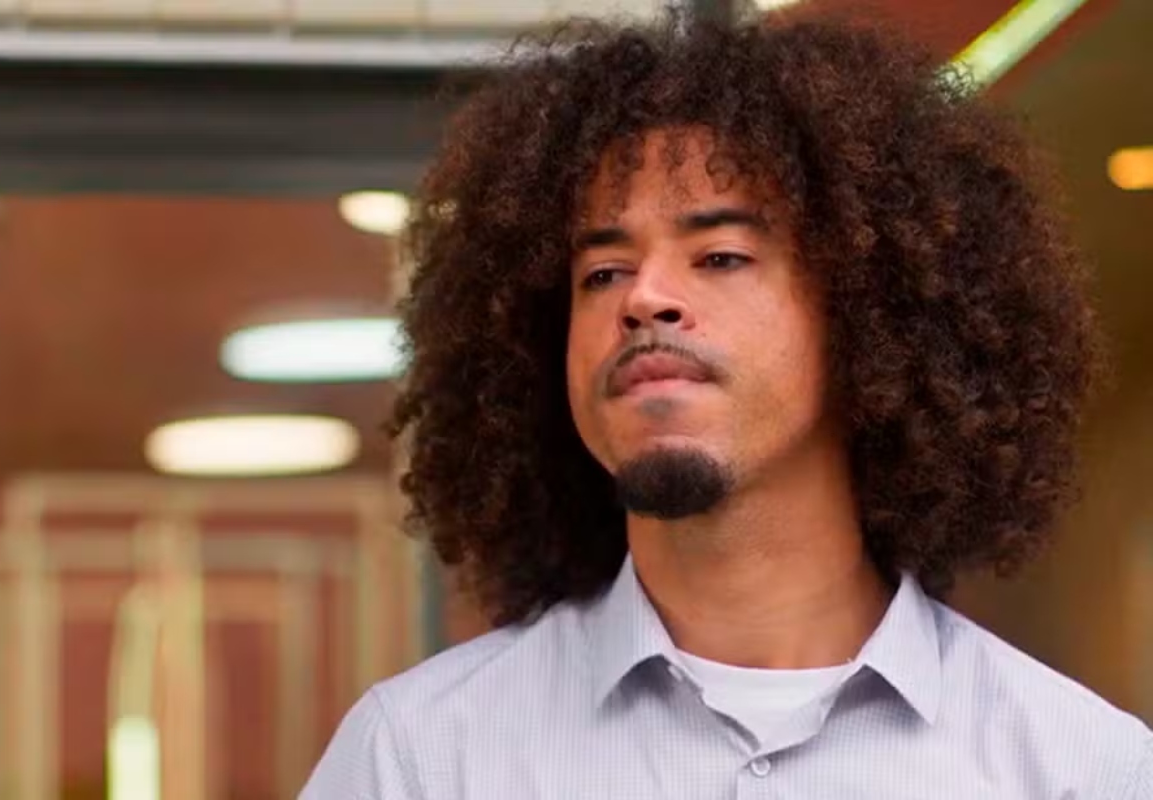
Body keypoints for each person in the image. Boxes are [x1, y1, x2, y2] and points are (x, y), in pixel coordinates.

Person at [301, 7, 1153, 799]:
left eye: (719, 257)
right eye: (603, 272)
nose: (644, 297)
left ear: (868, 312)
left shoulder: (1076, 771)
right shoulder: (419, 757)